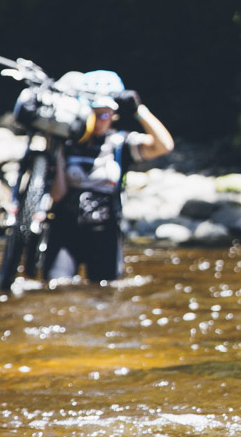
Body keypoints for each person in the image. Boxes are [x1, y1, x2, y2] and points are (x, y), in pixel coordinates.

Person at [44, 70, 174, 283]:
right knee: (56, 288)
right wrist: (56, 150)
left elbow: (164, 145)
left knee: (106, 292)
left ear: (113, 115)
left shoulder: (121, 144)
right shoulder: (65, 143)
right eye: (94, 113)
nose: (99, 120)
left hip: (104, 231)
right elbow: (57, 195)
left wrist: (139, 109)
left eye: (105, 114)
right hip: (64, 228)